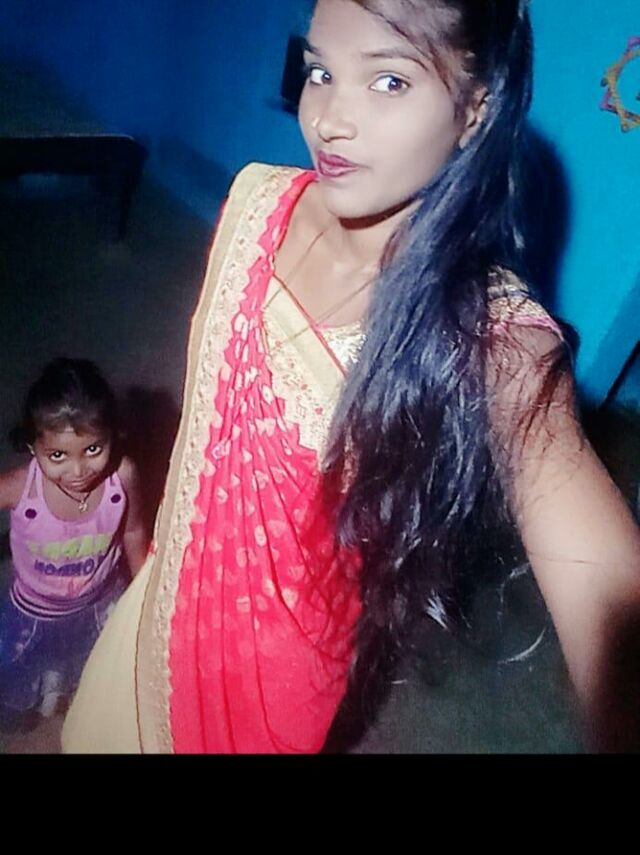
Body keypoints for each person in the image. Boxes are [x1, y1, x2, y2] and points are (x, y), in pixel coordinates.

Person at [62, 0, 640, 753]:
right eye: (320, 71)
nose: (329, 119)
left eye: (389, 81)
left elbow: (605, 584)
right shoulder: (254, 199)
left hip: (271, 674)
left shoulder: (490, 334)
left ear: (475, 109)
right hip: (166, 588)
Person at [0, 358, 147, 730]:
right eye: (58, 456)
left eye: (93, 449)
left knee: (97, 682)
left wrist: (142, 593)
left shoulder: (123, 476)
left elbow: (133, 531)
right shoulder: (20, 487)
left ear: (112, 436)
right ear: (33, 447)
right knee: (15, 701)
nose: (78, 471)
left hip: (100, 603)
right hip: (34, 615)